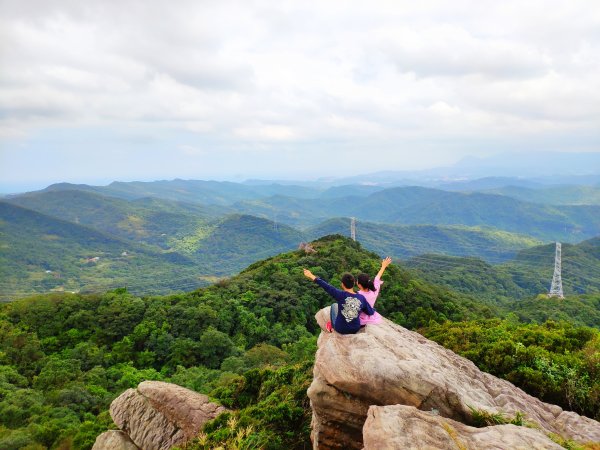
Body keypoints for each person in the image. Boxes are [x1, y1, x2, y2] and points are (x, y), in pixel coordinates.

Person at [303, 268, 374, 334]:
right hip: (355, 329)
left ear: (342, 284)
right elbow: (370, 312)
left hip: (341, 329)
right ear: (354, 283)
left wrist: (311, 275)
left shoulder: (340, 295)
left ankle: (331, 326)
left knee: (334, 306)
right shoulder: (361, 298)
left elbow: (326, 286)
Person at [356, 256, 392, 326]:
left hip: (360, 319)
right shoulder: (374, 291)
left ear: (359, 285)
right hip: (370, 317)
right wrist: (383, 266)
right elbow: (377, 278)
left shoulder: (358, 295)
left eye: (357, 280)